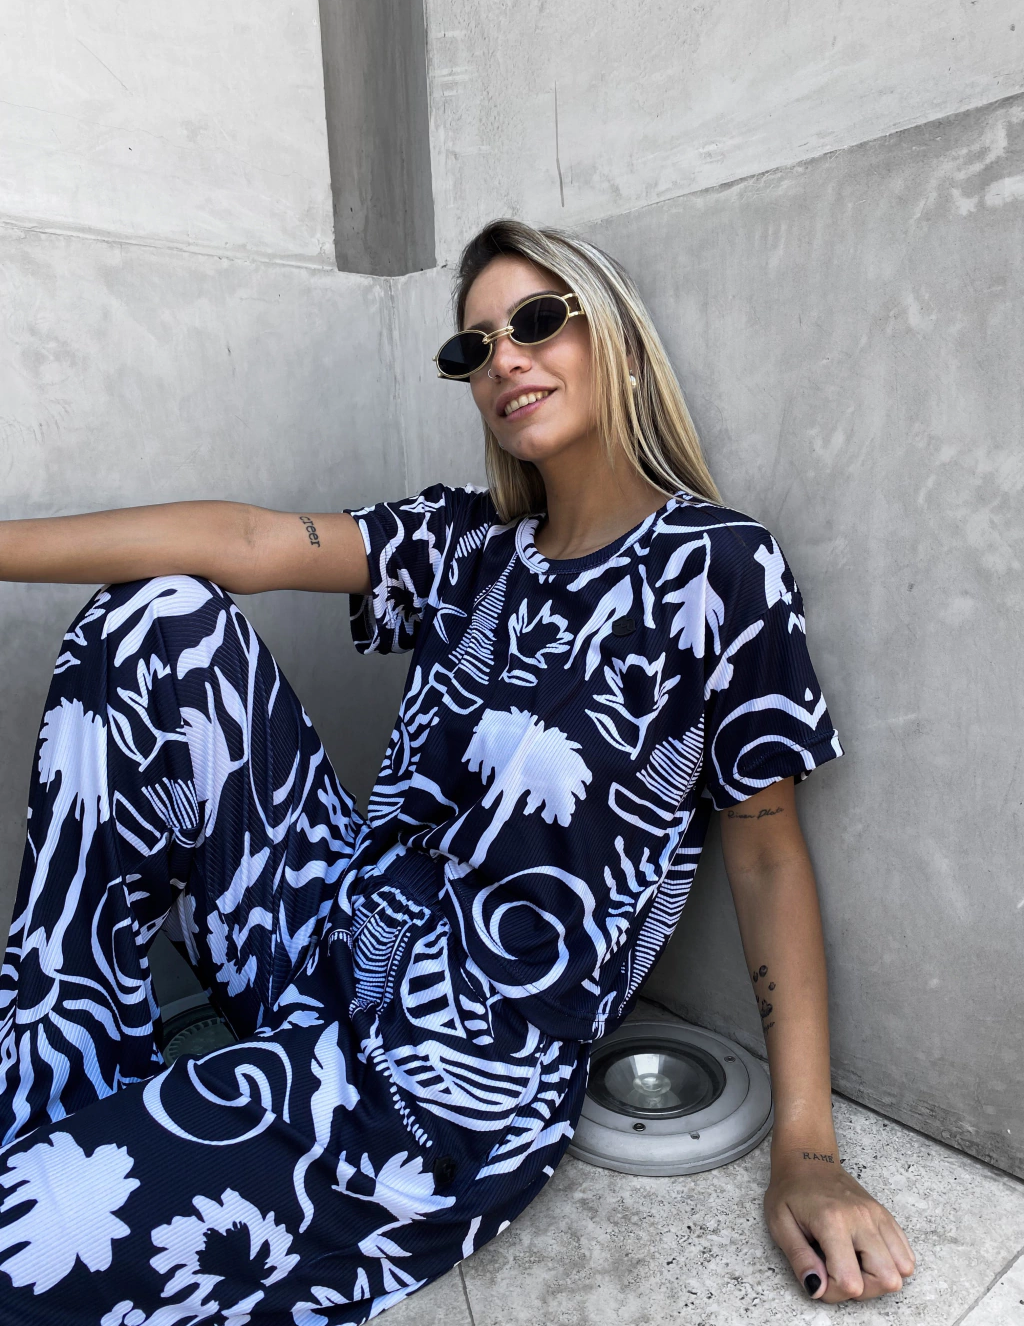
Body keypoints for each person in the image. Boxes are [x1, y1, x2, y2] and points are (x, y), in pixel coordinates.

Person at [0, 219, 914, 1322]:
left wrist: (806, 1150)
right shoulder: (467, 544)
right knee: (156, 618)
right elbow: (246, 541)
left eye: (536, 322)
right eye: (473, 348)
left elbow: (766, 858)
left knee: (35, 1233)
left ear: (616, 339)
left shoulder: (719, 568)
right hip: (327, 942)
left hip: (445, 1070)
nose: (503, 361)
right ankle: (52, 1063)